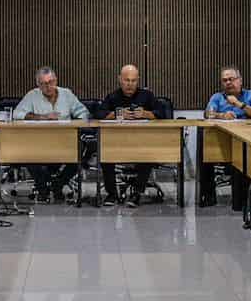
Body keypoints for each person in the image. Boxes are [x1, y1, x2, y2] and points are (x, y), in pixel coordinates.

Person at [12, 66, 90, 202]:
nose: (48, 87)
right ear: (38, 85)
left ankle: (58, 183)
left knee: (81, 148)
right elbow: (17, 114)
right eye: (43, 84)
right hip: (39, 142)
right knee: (27, 151)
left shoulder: (67, 94)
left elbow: (83, 113)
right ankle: (42, 187)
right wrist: (41, 117)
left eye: (51, 82)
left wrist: (73, 122)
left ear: (56, 81)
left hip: (65, 140)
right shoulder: (32, 95)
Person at [199, 66, 251, 209]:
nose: (228, 83)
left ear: (240, 81)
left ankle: (242, 202)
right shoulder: (217, 97)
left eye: (231, 79)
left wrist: (238, 104)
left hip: (248, 139)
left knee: (242, 159)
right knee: (205, 150)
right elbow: (208, 114)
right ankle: (208, 197)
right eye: (225, 80)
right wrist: (222, 115)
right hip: (222, 139)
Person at [98, 64, 162, 208]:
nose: (130, 84)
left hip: (142, 141)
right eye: (127, 80)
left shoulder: (147, 96)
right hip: (117, 142)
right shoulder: (113, 96)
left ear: (138, 80)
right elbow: (98, 114)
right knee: (105, 153)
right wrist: (117, 114)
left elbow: (164, 113)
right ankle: (112, 194)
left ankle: (137, 193)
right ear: (120, 79)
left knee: (148, 155)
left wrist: (146, 114)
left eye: (133, 81)